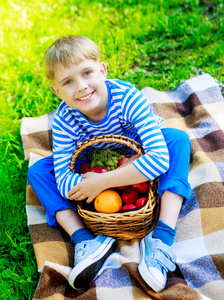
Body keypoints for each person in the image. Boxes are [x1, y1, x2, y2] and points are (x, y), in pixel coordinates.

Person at [27, 35, 191, 293]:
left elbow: (157, 157)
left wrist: (105, 180)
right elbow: (63, 179)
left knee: (178, 140)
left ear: (102, 70)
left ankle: (161, 237)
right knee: (38, 172)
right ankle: (85, 240)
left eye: (87, 73)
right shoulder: (63, 120)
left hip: (136, 147)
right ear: (56, 91)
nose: (81, 86)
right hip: (92, 160)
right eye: (68, 82)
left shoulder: (127, 98)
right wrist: (107, 175)